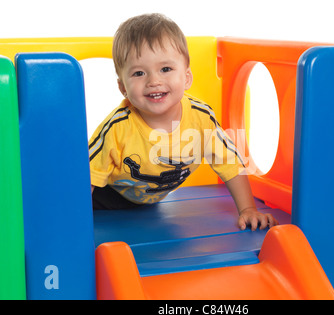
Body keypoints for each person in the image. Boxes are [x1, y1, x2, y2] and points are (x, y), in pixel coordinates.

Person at [89, 13, 278, 231]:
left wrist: (247, 209)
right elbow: (87, 176)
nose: (154, 81)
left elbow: (230, 163)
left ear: (187, 77)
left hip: (150, 199)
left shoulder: (200, 118)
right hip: (109, 193)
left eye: (166, 69)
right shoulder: (117, 129)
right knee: (57, 192)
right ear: (123, 88)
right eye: (139, 73)